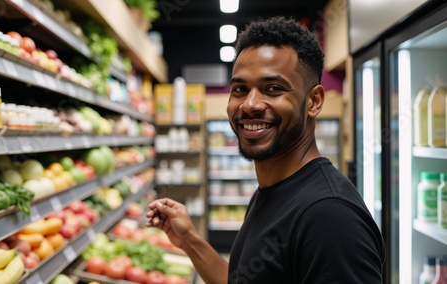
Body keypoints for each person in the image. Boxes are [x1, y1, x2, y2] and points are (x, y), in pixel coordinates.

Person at [146, 16, 385, 284]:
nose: (250, 104)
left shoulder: (329, 216)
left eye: (272, 89)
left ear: (314, 101)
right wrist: (189, 240)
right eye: (240, 89)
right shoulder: (273, 190)